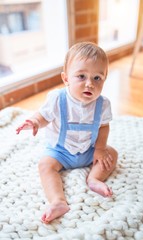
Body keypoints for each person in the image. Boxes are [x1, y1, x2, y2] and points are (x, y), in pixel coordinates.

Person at [16, 42, 118, 224]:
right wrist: (34, 122)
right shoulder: (57, 99)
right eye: (81, 76)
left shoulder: (103, 104)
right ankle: (58, 201)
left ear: (105, 79)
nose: (89, 84)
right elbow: (44, 116)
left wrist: (100, 148)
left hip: (89, 150)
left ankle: (94, 178)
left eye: (97, 78)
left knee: (112, 154)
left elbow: (103, 127)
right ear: (66, 79)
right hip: (60, 151)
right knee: (44, 165)